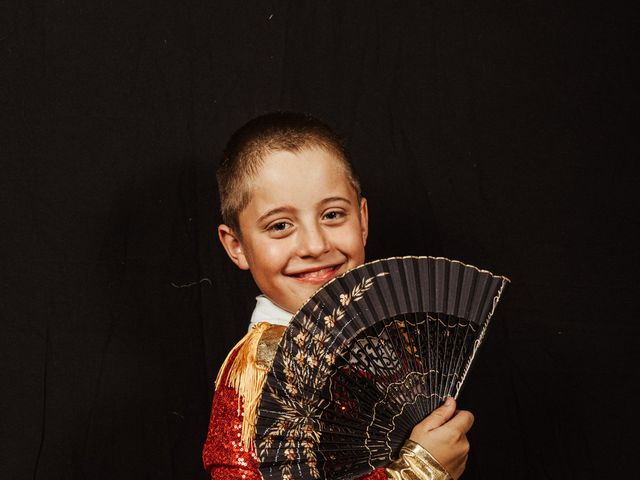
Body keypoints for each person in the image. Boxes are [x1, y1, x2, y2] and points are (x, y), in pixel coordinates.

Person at [203, 112, 474, 479]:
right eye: (280, 225)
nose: (315, 245)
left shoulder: (387, 339)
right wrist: (418, 470)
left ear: (362, 220)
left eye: (332, 215)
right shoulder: (258, 377)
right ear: (236, 245)